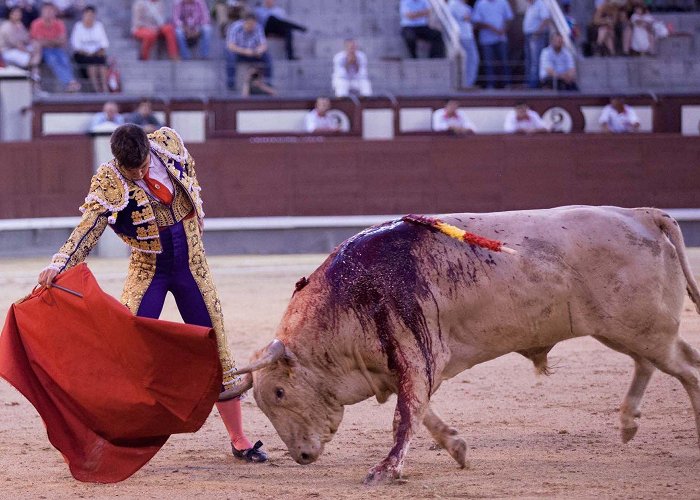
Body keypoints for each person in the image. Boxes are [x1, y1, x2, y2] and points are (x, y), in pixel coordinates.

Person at [37, 124, 268, 464]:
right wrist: (60, 264)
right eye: (135, 172)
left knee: (217, 347)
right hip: (149, 271)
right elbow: (89, 226)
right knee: (125, 351)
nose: (142, 173)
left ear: (148, 148)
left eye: (144, 165)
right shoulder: (109, 180)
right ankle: (109, 437)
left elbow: (190, 174)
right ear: (118, 162)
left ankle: (239, 438)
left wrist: (197, 212)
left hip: (192, 266)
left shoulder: (169, 143)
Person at [29, 1, 80, 92]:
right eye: (46, 11)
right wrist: (54, 41)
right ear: (42, 12)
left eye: (51, 11)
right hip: (43, 51)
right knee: (53, 60)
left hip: (57, 49)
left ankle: (71, 82)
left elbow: (63, 41)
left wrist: (47, 41)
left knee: (65, 60)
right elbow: (37, 41)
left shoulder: (59, 23)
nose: (48, 13)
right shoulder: (36, 24)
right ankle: (69, 83)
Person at [472, 0, 514, 89]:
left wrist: (504, 29)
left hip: (501, 38)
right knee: (489, 64)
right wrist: (490, 27)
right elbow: (476, 22)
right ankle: (491, 85)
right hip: (486, 40)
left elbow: (509, 18)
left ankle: (507, 85)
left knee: (504, 62)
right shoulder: (480, 4)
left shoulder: (503, 2)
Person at [225, 13, 272, 91]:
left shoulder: (258, 27)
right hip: (239, 53)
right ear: (244, 22)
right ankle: (231, 84)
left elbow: (264, 45)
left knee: (267, 58)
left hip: (253, 53)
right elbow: (230, 46)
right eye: (250, 24)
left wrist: (258, 50)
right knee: (230, 56)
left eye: (253, 24)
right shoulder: (235, 27)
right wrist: (245, 51)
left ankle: (268, 83)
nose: (252, 27)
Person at [70, 5, 109, 93]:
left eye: (92, 15)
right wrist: (88, 53)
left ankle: (104, 87)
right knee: (92, 64)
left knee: (101, 63)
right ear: (83, 15)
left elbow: (104, 43)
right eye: (88, 15)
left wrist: (97, 52)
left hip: (96, 54)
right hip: (82, 54)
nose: (89, 17)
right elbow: (76, 45)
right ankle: (96, 89)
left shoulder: (99, 26)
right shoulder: (78, 26)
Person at [0, 5, 41, 77]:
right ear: (10, 14)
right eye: (15, 13)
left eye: (19, 13)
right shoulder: (6, 26)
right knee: (31, 60)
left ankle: (34, 74)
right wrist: (29, 52)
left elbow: (27, 39)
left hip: (20, 48)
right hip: (8, 51)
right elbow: (17, 44)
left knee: (37, 45)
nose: (18, 15)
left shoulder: (20, 24)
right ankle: (34, 76)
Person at [448, 0, 479, 89]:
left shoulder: (464, 6)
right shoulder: (454, 3)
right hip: (462, 37)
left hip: (467, 36)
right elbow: (467, 17)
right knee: (471, 60)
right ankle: (467, 84)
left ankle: (468, 83)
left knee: (471, 60)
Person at [522, 0, 550, 89]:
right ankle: (528, 82)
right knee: (528, 59)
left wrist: (538, 31)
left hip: (536, 36)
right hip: (528, 35)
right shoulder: (530, 5)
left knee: (535, 60)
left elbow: (546, 19)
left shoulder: (540, 4)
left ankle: (534, 84)